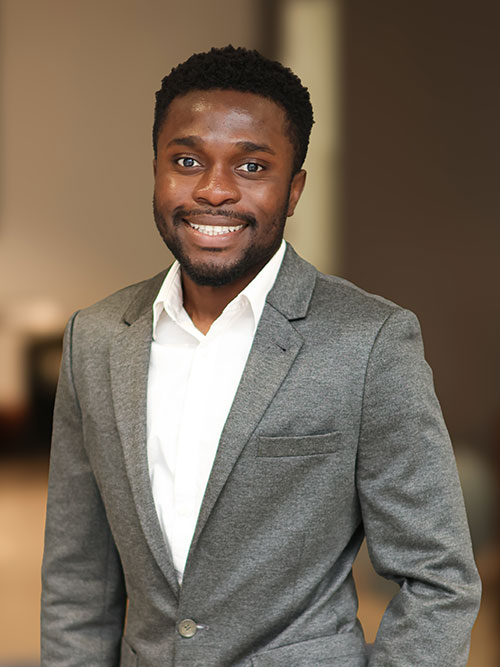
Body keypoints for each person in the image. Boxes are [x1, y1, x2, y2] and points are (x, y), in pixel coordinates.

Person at [41, 45, 481, 667]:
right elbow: (77, 580)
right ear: (156, 170)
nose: (214, 190)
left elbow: (437, 580)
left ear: (293, 189)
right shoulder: (95, 337)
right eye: (187, 161)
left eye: (251, 166)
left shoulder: (371, 341)